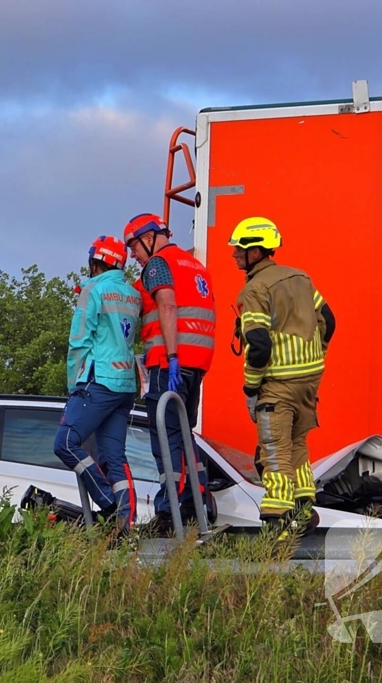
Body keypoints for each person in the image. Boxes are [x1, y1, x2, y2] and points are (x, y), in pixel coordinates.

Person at [229, 217, 335, 532]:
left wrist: (250, 387)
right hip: (309, 381)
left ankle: (275, 525)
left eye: (238, 249)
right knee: (297, 444)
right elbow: (329, 319)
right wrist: (317, 356)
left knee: (273, 451)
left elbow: (259, 345)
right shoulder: (301, 278)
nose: (234, 255)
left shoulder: (255, 289)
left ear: (255, 251)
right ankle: (304, 508)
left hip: (277, 385)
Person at [123, 213, 216, 535]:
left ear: (148, 238)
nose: (132, 255)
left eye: (133, 246)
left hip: (169, 362)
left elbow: (167, 305)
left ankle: (169, 513)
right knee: (185, 436)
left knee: (166, 438)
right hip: (198, 363)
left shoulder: (158, 265)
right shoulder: (194, 266)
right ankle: (195, 503)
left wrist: (172, 355)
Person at [53, 235, 141, 529]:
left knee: (65, 442)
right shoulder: (132, 294)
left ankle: (108, 504)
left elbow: (79, 340)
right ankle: (125, 522)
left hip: (97, 380)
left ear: (94, 262)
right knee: (114, 457)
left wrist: (73, 385)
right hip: (126, 383)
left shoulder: (92, 289)